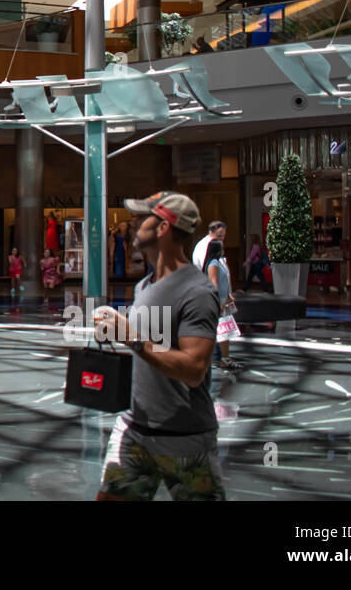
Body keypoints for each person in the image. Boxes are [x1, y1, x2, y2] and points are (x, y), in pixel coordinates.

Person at [91, 190, 224, 501]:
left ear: (164, 228)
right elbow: (150, 346)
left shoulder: (198, 292)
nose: (133, 222)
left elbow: (193, 369)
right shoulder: (144, 286)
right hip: (135, 427)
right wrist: (115, 328)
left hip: (186, 438)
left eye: (141, 218)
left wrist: (133, 339)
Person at [203, 239, 240, 371]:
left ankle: (223, 358)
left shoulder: (218, 263)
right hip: (219, 302)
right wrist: (218, 302)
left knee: (223, 332)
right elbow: (214, 284)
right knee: (223, 332)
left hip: (223, 301)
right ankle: (223, 358)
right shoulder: (213, 264)